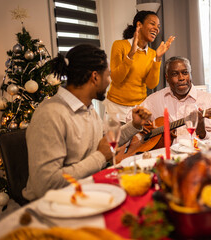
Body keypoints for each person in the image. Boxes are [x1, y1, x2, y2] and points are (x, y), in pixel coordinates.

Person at [22, 44, 151, 201]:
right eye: (108, 75)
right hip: (52, 207)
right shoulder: (50, 115)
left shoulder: (87, 108)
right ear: (95, 77)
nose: (110, 81)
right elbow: (46, 185)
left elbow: (106, 140)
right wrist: (100, 157)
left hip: (84, 193)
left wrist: (134, 125)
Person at [128, 56, 211, 143]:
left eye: (185, 73)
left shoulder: (207, 100)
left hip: (195, 154)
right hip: (163, 155)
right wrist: (138, 126)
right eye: (175, 74)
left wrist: (202, 132)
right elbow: (129, 117)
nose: (181, 78)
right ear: (167, 78)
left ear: (190, 75)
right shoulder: (155, 99)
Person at [105, 10, 175, 123]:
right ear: (139, 25)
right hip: (116, 108)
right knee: (117, 140)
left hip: (139, 108)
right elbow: (116, 79)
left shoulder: (152, 53)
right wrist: (131, 54)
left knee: (139, 141)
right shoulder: (120, 45)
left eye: (158, 26)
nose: (156, 29)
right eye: (152, 24)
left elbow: (151, 84)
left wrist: (158, 58)